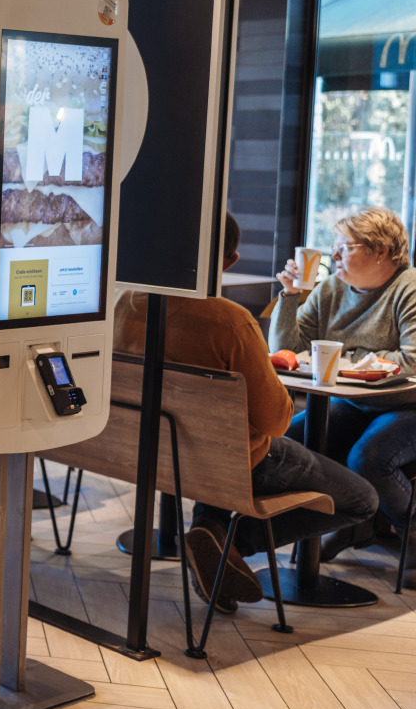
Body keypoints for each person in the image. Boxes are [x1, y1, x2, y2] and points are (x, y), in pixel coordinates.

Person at [115, 213, 377, 612]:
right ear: (230, 260)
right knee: (363, 500)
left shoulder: (123, 302)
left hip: (150, 450)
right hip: (232, 460)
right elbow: (276, 422)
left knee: (228, 449)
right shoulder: (229, 320)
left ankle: (213, 535)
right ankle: (231, 545)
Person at [270, 206, 416, 565]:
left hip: (406, 405)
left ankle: (411, 531)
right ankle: (351, 522)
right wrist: (289, 296)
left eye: (345, 247)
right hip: (354, 401)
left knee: (369, 459)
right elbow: (286, 351)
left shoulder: (408, 289)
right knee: (287, 442)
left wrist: (347, 359)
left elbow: (412, 360)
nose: (334, 256)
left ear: (381, 251)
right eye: (334, 247)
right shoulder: (331, 289)